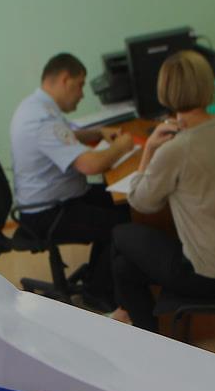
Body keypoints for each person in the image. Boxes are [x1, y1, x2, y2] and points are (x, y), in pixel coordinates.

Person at [109, 50, 215, 332]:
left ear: (165, 91)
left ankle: (144, 337)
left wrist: (149, 149)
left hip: (210, 278)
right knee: (124, 268)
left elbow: (140, 201)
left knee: (119, 234)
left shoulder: (175, 150)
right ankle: (136, 324)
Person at [10, 53, 135, 310]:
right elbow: (90, 165)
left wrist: (98, 133)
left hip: (56, 198)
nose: (82, 94)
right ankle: (97, 292)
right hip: (47, 213)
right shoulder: (42, 121)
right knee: (121, 224)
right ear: (65, 80)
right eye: (80, 85)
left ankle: (98, 275)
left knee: (125, 204)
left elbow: (69, 134)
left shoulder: (37, 106)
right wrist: (122, 146)